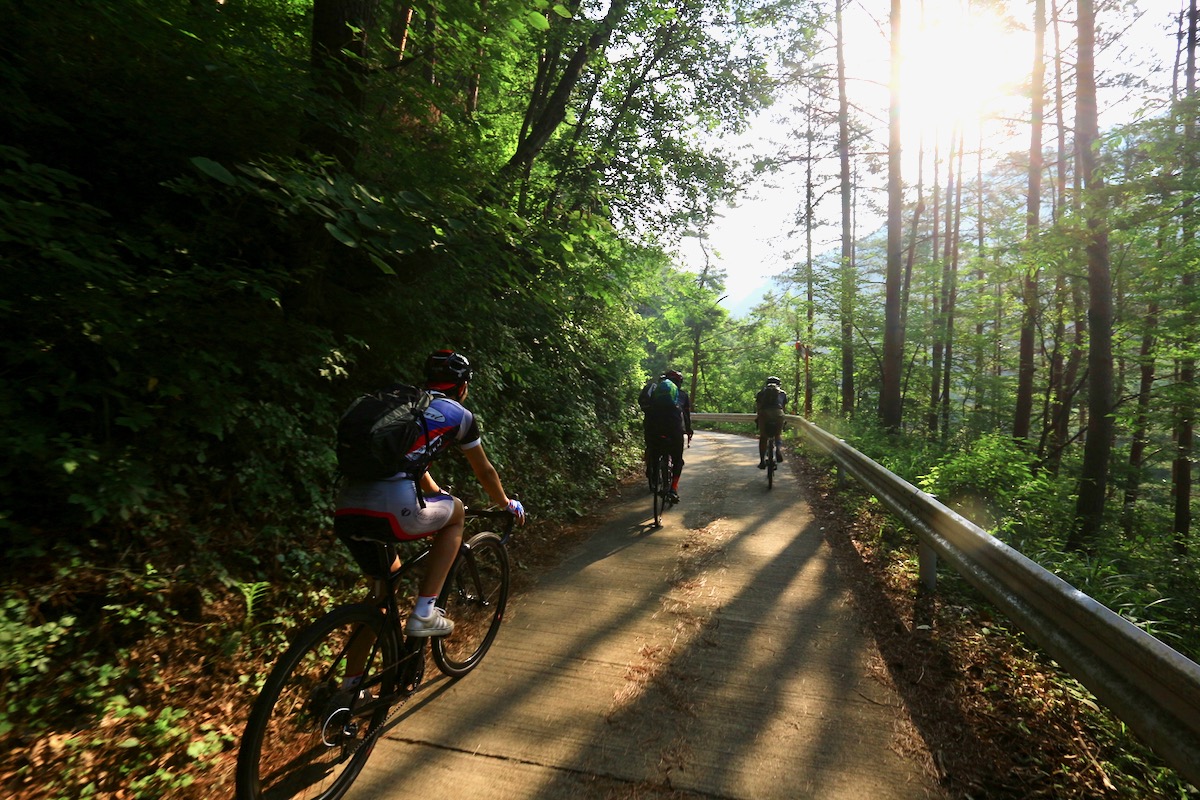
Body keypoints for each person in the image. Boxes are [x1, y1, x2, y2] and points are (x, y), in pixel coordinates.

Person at [334, 349, 526, 639]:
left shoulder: (408, 405)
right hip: (392, 507)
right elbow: (485, 471)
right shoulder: (460, 415)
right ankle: (424, 612)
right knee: (457, 512)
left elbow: (410, 462)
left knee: (380, 596)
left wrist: (436, 494)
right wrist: (506, 503)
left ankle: (352, 683)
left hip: (347, 506)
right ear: (462, 387)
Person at [638, 369, 693, 502]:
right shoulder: (682, 395)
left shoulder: (654, 392)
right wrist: (689, 430)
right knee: (677, 460)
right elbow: (685, 416)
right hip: (674, 430)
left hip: (653, 429)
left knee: (652, 448)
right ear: (679, 383)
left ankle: (652, 468)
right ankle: (673, 489)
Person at [755, 376, 786, 469]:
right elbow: (783, 408)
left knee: (763, 437)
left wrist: (759, 417)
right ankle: (778, 450)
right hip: (778, 414)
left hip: (764, 414)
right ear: (779, 384)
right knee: (778, 434)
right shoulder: (782, 393)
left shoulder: (761, 393)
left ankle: (762, 461)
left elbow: (758, 407)